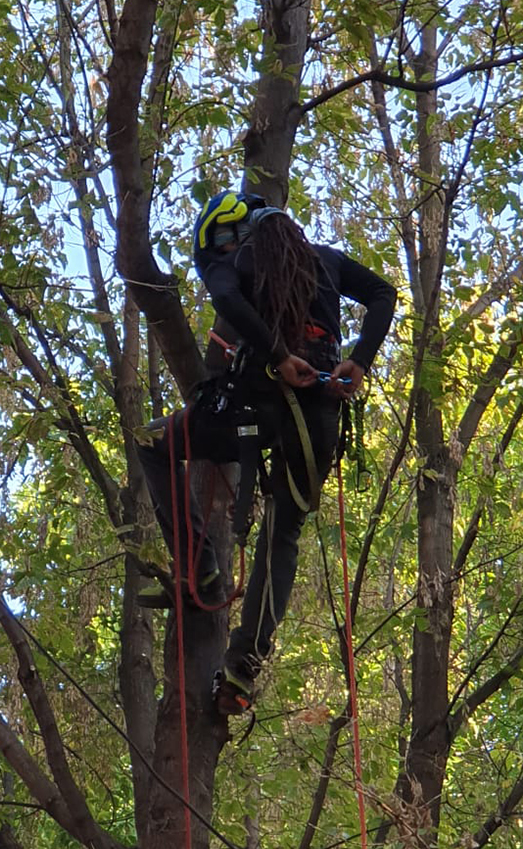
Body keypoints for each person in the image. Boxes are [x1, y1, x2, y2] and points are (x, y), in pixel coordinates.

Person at [137, 191, 396, 716]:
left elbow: (230, 301)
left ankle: (202, 567)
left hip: (254, 408)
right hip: (319, 408)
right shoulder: (324, 259)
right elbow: (384, 295)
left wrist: (277, 357)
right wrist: (358, 361)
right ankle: (242, 668)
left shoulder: (237, 261)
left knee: (153, 442)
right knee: (284, 532)